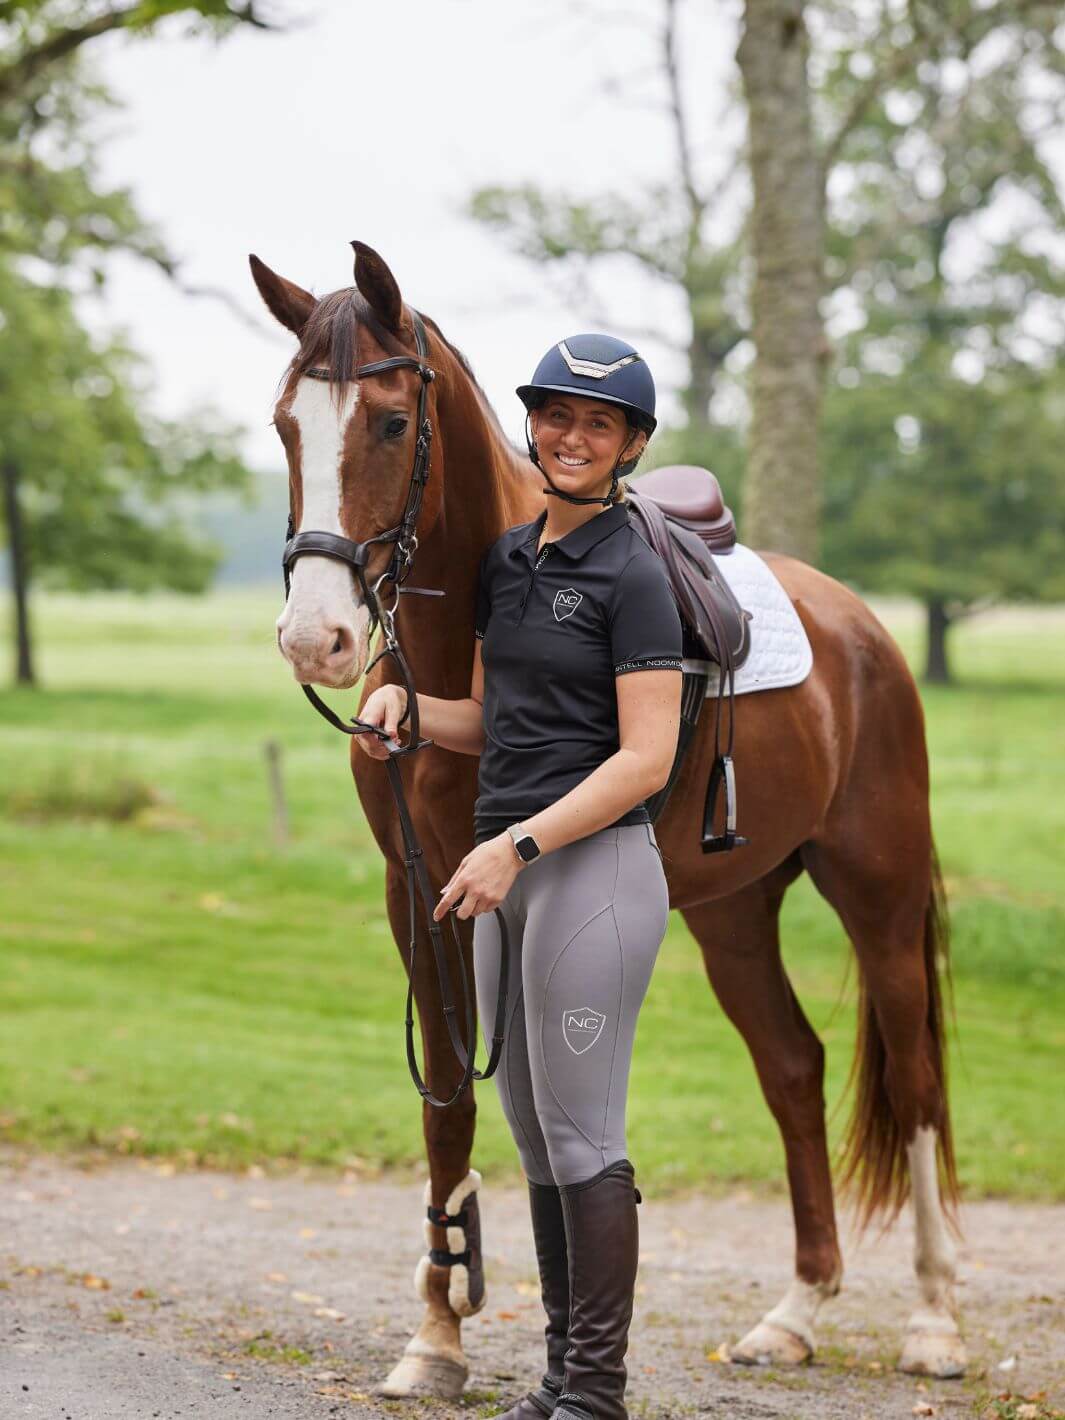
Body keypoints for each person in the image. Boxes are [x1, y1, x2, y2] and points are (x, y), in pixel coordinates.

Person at [358, 334, 683, 1420]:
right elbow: (494, 720)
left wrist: (516, 845)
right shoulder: (510, 559)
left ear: (632, 444)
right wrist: (407, 710)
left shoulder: (636, 572)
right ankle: (555, 1381)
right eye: (556, 416)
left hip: (589, 867)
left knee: (587, 1133)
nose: (572, 437)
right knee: (539, 1134)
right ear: (531, 425)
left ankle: (597, 1393)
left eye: (599, 424)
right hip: (511, 866)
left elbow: (647, 757)